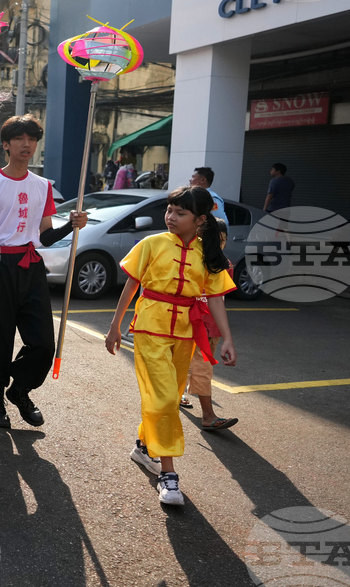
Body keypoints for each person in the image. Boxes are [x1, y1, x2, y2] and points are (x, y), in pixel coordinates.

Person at [105, 186, 237, 506]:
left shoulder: (207, 253)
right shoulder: (151, 244)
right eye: (169, 210)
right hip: (150, 327)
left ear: (200, 219)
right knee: (164, 399)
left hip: (185, 332)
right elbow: (132, 283)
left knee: (170, 396)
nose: (171, 217)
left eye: (181, 213)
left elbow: (216, 296)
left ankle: (142, 446)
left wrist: (228, 337)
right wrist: (114, 325)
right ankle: (169, 475)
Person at [0, 114, 88, 428]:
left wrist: (69, 227)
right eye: (20, 138)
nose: (27, 144)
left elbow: (44, 234)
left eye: (32, 139)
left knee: (44, 343)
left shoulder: (42, 186)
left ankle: (19, 389)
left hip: (31, 265)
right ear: (6, 144)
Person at [179, 219, 237, 431]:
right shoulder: (190, 258)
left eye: (223, 240)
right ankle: (207, 415)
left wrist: (225, 335)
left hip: (210, 328)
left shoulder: (224, 265)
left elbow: (217, 300)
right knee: (200, 368)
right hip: (189, 324)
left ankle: (182, 397)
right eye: (213, 238)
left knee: (199, 367)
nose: (218, 243)